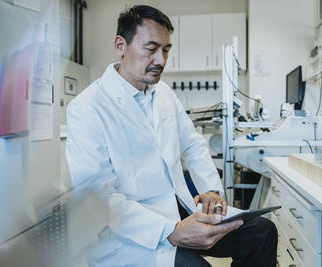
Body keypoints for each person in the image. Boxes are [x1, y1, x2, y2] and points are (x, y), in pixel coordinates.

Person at [66, 5, 277, 267]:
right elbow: (98, 198)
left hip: (179, 211)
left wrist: (210, 190)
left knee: (262, 232)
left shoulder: (163, 92)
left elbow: (193, 144)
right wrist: (172, 231)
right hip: (132, 236)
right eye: (151, 49)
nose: (161, 60)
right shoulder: (87, 108)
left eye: (166, 50)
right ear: (121, 45)